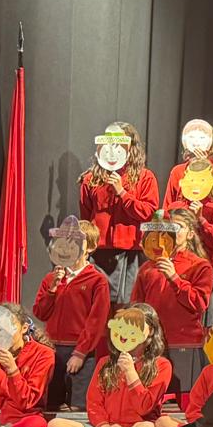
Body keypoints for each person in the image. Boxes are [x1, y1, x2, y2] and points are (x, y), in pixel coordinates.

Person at [46, 304, 182, 427]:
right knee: (55, 425)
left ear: (149, 331)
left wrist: (130, 371)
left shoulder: (161, 365)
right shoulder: (105, 363)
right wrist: (104, 426)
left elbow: (145, 407)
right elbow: (94, 402)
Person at [130, 210, 213, 395]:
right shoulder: (147, 266)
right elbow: (137, 305)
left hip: (184, 343)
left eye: (178, 227)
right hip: (153, 345)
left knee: (184, 400)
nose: (172, 232)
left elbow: (199, 303)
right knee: (153, 397)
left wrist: (174, 278)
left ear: (190, 234)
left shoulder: (199, 265)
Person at [33, 217, 110, 411]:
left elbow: (96, 321)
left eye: (76, 242)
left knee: (78, 408)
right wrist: (52, 290)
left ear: (89, 247)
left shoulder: (97, 281)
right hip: (51, 349)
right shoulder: (51, 278)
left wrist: (80, 353)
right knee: (51, 405)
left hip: (80, 352)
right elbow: (40, 313)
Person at [79, 121, 159, 301]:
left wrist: (122, 193)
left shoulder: (145, 177)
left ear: (130, 147)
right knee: (96, 303)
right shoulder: (91, 179)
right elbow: (86, 216)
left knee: (124, 305)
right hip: (98, 251)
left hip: (129, 251)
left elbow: (148, 213)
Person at [164, 119, 213, 207]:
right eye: (191, 137)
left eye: (202, 137)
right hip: (182, 217)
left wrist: (204, 166)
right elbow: (168, 204)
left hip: (208, 217)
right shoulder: (177, 171)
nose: (196, 142)